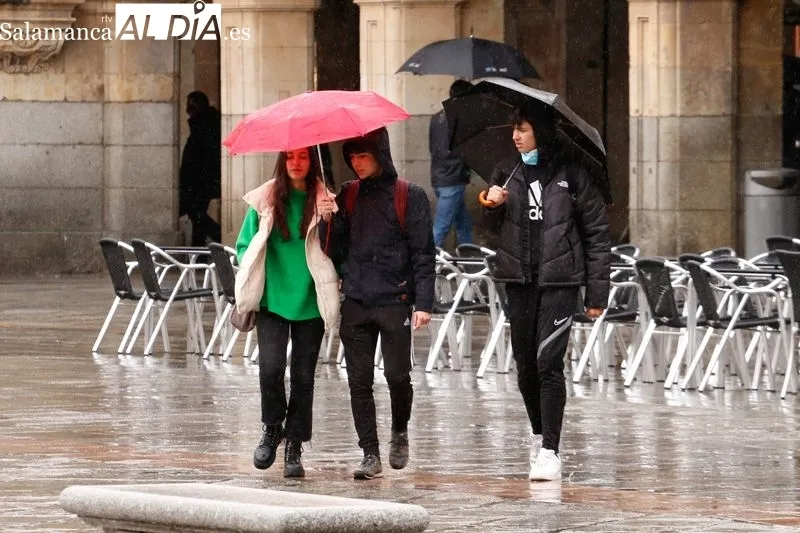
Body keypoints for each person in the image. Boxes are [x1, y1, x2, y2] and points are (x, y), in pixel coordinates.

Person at [482, 106, 611, 482]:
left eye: (522, 129)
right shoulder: (508, 171)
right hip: (518, 280)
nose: (516, 136)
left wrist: (596, 292)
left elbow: (597, 236)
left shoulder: (572, 173)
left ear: (539, 131)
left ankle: (551, 450)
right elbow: (491, 230)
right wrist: (492, 205)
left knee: (547, 362)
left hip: (559, 282)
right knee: (525, 366)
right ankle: (540, 434)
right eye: (513, 129)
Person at [317, 127, 436, 480]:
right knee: (358, 381)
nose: (357, 163)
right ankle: (369, 452)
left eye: (363, 155)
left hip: (395, 300)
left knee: (398, 376)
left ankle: (399, 430)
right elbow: (334, 250)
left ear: (380, 154)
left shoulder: (408, 196)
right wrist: (328, 219)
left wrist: (423, 302)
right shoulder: (347, 195)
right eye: (351, 157)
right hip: (356, 300)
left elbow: (423, 254)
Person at [235, 147, 340, 478]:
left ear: (313, 163)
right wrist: (252, 274)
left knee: (304, 376)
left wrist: (329, 221)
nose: (297, 163)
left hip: (311, 298)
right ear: (282, 161)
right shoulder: (265, 199)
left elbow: (340, 249)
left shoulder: (327, 201)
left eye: (304, 157)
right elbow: (243, 245)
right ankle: (271, 428)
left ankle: (295, 443)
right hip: (272, 299)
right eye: (291, 157)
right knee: (270, 368)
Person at [429, 79, 474, 249]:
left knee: (464, 223)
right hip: (453, 179)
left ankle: (468, 256)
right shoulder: (461, 119)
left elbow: (433, 148)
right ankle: (426, 268)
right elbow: (465, 151)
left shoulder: (436, 118)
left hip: (440, 177)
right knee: (441, 228)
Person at [179, 91, 221, 246]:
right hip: (199, 180)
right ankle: (199, 253)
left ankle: (217, 238)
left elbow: (204, 156)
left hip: (200, 181)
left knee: (197, 215)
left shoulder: (204, 126)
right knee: (197, 216)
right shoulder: (203, 124)